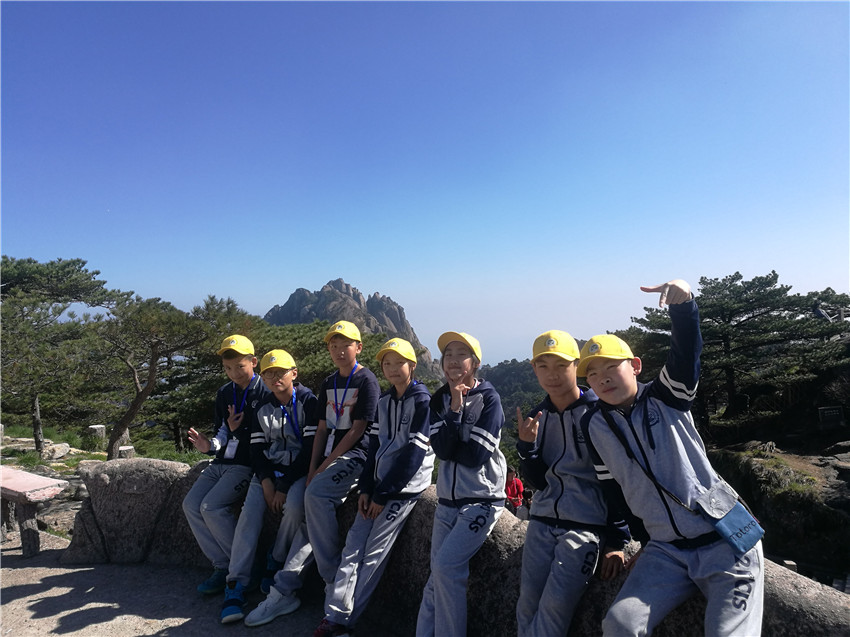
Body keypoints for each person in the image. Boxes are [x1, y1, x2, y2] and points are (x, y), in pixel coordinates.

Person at [579, 279, 764, 636]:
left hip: (723, 539)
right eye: (593, 373)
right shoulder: (594, 425)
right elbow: (612, 489)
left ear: (635, 366)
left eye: (611, 367)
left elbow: (685, 353)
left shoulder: (667, 396)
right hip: (666, 551)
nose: (602, 379)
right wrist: (620, 542)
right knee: (618, 624)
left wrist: (683, 306)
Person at [244, 320, 380, 626]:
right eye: (333, 345)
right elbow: (320, 429)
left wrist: (324, 465)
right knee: (310, 505)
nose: (338, 350)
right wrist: (312, 469)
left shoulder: (367, 380)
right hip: (329, 457)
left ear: (359, 347)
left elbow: (358, 430)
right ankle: (285, 588)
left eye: (345, 345)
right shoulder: (329, 382)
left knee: (315, 497)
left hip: (356, 456)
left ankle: (330, 577)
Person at [313, 338, 435, 637]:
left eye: (399, 363)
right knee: (352, 547)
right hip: (377, 487)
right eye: (387, 363)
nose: (392, 369)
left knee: (373, 556)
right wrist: (366, 488)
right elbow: (374, 448)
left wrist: (382, 494)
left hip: (403, 491)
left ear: (412, 365)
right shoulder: (385, 401)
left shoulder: (423, 401)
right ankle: (334, 615)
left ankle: (346, 621)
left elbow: (413, 454)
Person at [515, 330, 629, 637]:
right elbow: (538, 482)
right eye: (543, 366)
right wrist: (527, 447)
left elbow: (617, 479)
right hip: (541, 521)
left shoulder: (598, 413)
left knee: (554, 609)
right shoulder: (537, 417)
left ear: (576, 366)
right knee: (526, 606)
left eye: (561, 365)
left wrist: (617, 540)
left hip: (585, 526)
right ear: (534, 368)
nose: (552, 375)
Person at [416, 331, 507, 637]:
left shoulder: (489, 399)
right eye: (448, 354)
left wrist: (451, 437)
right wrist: (455, 407)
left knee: (446, 570)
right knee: (435, 580)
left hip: (482, 501)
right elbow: (443, 451)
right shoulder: (439, 399)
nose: (453, 361)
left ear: (475, 362)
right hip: (446, 502)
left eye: (461, 354)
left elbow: (475, 456)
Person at [219, 349, 319, 624]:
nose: (275, 378)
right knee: (249, 515)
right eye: (269, 373)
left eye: (280, 372)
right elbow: (257, 449)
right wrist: (265, 482)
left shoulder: (308, 401)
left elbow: (310, 450)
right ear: (262, 377)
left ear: (293, 373)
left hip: (297, 473)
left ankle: (276, 558)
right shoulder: (262, 405)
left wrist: (283, 486)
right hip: (267, 473)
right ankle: (236, 584)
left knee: (296, 508)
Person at [182, 334, 270, 596]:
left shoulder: (265, 390)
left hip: (246, 465)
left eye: (240, 366)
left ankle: (245, 567)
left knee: (211, 507)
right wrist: (208, 446)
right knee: (190, 505)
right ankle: (223, 565)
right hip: (221, 462)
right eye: (228, 368)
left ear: (253, 362)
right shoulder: (224, 393)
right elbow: (222, 431)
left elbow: (268, 435)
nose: (234, 373)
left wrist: (237, 430)